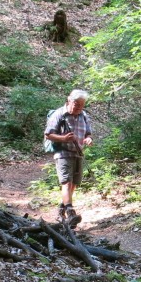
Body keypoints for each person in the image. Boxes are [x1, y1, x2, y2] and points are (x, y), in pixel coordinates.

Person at [44, 89, 93, 226]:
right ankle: (71, 213)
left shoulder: (83, 115)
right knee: (66, 182)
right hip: (63, 153)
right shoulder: (59, 114)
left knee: (74, 183)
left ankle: (62, 208)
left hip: (78, 153)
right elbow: (48, 134)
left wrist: (88, 139)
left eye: (82, 105)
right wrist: (63, 138)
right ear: (69, 101)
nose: (79, 108)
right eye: (77, 104)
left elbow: (88, 133)